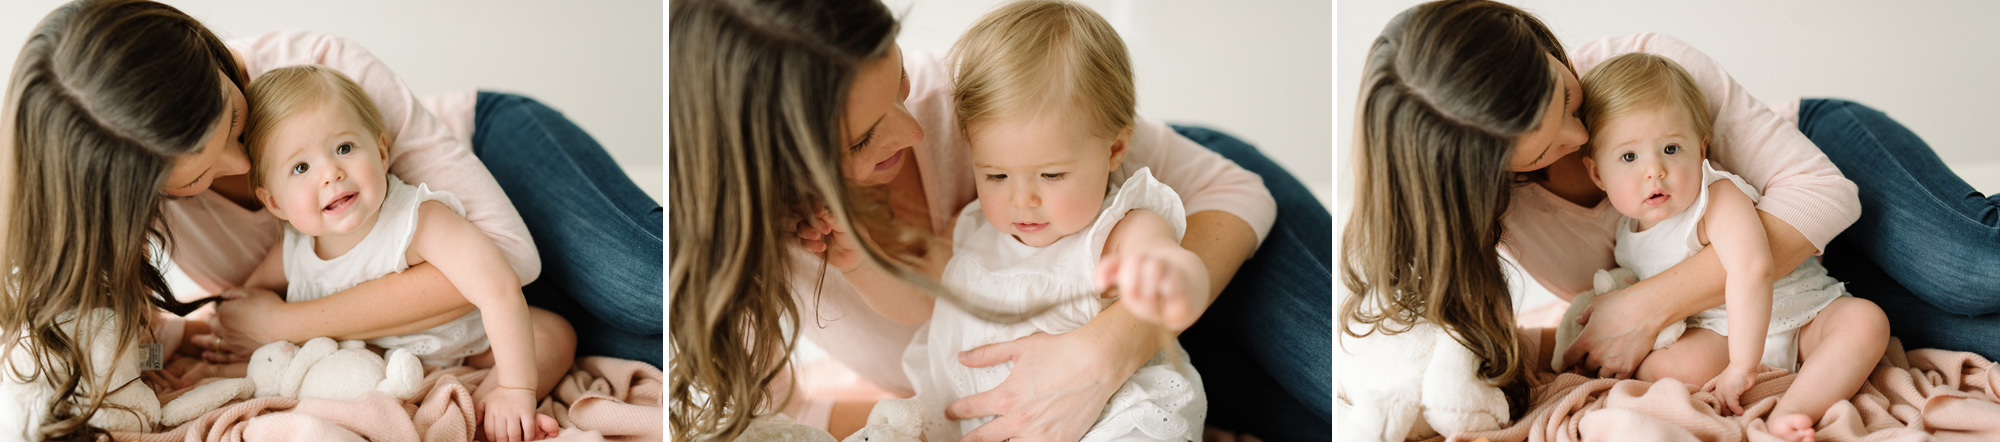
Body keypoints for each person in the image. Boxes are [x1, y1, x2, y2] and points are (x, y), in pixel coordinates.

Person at [671, 0, 1329, 440]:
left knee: (1337, 387)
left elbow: (1227, 198)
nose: (913, 126)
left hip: (1210, 223)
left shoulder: (981, 100)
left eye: (897, 81)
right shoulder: (955, 239)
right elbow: (918, 318)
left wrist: (1106, 348)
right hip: (1151, 369)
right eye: (865, 138)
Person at [890, 2, 1206, 440]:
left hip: (1107, 420)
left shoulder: (1116, 230)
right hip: (989, 422)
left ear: (1114, 150)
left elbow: (1177, 266)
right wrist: (855, 264)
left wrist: (1161, 273)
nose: (1022, 200)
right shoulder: (972, 228)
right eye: (996, 175)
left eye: (1052, 175)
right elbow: (916, 301)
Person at [236, 65, 574, 442]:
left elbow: (499, 287)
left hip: (473, 345)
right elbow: (248, 297)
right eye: (301, 167)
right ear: (274, 203)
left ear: (381, 153)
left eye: (344, 148)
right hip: (382, 371)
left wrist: (515, 387)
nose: (330, 173)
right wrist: (231, 328)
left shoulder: (415, 219)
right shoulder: (293, 249)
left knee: (553, 333)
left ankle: (488, 405)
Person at [1575, 53, 1888, 442]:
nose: (1653, 170)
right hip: (1716, 337)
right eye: (1628, 156)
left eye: (1671, 149)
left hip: (1801, 316)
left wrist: (1743, 364)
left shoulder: (1717, 197)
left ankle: (1794, 411)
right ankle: (1770, 389)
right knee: (1662, 371)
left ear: (1702, 149)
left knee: (1865, 321)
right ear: (1597, 173)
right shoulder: (1625, 233)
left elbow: (1752, 267)